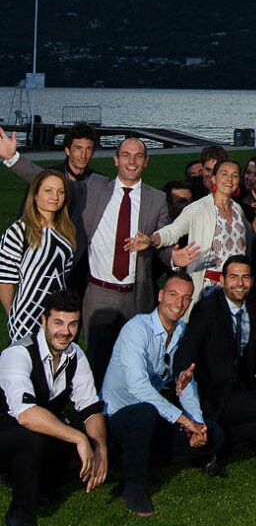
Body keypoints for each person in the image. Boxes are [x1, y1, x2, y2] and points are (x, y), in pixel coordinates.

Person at [101, 271, 225, 516]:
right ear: (160, 295)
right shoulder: (137, 329)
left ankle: (141, 457)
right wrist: (183, 421)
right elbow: (139, 388)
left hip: (151, 417)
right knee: (145, 413)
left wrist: (197, 424)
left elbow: (185, 380)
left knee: (215, 435)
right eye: (173, 295)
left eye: (186, 298)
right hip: (117, 418)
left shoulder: (182, 333)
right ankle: (134, 488)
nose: (178, 304)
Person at [0, 288, 107, 526]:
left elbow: (90, 408)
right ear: (43, 321)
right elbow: (26, 415)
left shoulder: (75, 354)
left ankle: (41, 483)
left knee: (103, 439)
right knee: (34, 437)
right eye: (58, 323)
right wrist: (79, 439)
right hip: (7, 436)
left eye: (73, 324)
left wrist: (99, 447)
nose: (66, 332)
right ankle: (21, 515)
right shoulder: (17, 354)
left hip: (39, 436)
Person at [77, 137, 172, 386]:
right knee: (98, 363)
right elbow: (47, 182)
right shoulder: (95, 187)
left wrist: (172, 255)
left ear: (146, 161)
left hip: (136, 297)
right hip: (99, 294)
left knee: (134, 365)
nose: (132, 161)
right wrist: (13, 159)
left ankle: (130, 416)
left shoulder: (157, 199)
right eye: (126, 155)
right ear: (116, 159)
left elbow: (163, 244)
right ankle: (97, 416)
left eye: (138, 156)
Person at [172, 256, 256, 465]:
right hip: (213, 391)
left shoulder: (253, 304)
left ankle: (218, 443)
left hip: (243, 384)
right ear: (222, 281)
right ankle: (216, 443)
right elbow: (188, 345)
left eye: (245, 278)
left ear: (252, 281)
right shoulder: (207, 308)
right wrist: (182, 373)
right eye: (233, 277)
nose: (240, 284)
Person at [128, 158, 256, 312]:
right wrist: (151, 240)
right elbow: (173, 230)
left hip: (236, 291)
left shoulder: (237, 210)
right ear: (214, 178)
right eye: (224, 174)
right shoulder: (198, 208)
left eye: (234, 175)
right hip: (208, 288)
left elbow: (250, 240)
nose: (229, 179)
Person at [0, 170, 76, 343]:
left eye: (60, 191)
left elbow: (63, 275)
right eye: (48, 191)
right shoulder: (18, 231)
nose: (55, 197)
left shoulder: (67, 232)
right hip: (26, 316)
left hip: (59, 316)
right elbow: (5, 281)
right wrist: (13, 313)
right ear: (35, 195)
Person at [0, 121, 103, 225]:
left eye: (88, 149)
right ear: (67, 150)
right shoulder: (44, 177)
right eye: (78, 148)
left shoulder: (98, 181)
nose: (83, 155)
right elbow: (25, 218)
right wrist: (11, 157)